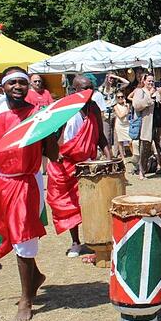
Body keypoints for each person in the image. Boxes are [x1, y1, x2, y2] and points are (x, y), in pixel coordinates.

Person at [0, 67, 59, 321]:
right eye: (12, 82)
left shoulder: (37, 113)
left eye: (22, 82)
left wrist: (48, 128)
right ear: (3, 86)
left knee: (23, 238)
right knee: (11, 233)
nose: (18, 86)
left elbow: (53, 154)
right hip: (0, 180)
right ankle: (35, 277)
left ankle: (26, 300)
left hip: (26, 182)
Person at [48, 75, 112, 257]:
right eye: (83, 88)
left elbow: (100, 136)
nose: (87, 92)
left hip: (87, 165)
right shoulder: (64, 109)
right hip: (65, 165)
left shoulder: (94, 108)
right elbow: (50, 136)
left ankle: (94, 240)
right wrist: (56, 153)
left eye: (90, 88)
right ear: (73, 90)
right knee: (69, 205)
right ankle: (75, 242)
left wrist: (110, 158)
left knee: (91, 204)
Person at [112, 90, 133, 160]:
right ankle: (123, 157)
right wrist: (127, 111)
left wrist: (126, 107)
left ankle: (134, 155)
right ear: (116, 98)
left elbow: (128, 113)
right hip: (119, 125)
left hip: (127, 124)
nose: (120, 98)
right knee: (120, 141)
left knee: (130, 141)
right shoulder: (115, 106)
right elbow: (120, 115)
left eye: (122, 96)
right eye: (118, 97)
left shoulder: (127, 105)